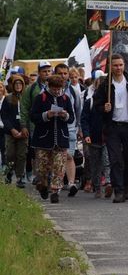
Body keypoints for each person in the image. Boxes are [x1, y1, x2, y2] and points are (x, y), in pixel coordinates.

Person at [93, 54, 128, 203]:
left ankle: (125, 186)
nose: (118, 68)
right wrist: (103, 108)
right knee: (115, 159)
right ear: (110, 67)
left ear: (124, 65)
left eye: (120, 65)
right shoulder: (105, 85)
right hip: (113, 127)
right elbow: (96, 105)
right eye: (115, 65)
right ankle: (118, 189)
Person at [31, 74, 75, 203]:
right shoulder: (41, 98)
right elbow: (33, 116)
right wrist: (46, 115)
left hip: (61, 138)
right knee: (42, 168)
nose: (56, 91)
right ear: (49, 86)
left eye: (58, 89)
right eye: (54, 89)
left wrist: (65, 115)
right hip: (43, 139)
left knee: (59, 166)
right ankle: (43, 185)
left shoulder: (65, 98)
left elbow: (71, 118)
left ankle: (55, 191)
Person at [80, 76, 112, 198]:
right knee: (95, 163)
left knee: (107, 161)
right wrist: (86, 134)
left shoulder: (110, 102)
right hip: (93, 138)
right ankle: (97, 187)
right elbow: (84, 120)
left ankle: (109, 182)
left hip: (107, 138)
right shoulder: (90, 102)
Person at [55, 63, 82, 197]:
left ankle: (71, 183)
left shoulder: (73, 91)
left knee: (68, 155)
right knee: (57, 157)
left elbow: (78, 110)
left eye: (65, 73)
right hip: (53, 128)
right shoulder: (47, 91)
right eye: (60, 73)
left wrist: (79, 128)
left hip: (70, 128)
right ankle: (56, 182)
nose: (63, 76)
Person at [1, 75, 29, 187]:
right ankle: (9, 172)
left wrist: (24, 129)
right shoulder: (8, 99)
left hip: (24, 131)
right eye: (16, 84)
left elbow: (29, 113)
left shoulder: (26, 98)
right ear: (12, 85)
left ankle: (19, 177)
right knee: (10, 154)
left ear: (23, 85)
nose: (18, 86)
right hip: (10, 131)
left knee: (21, 155)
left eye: (20, 84)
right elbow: (4, 116)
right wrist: (12, 130)